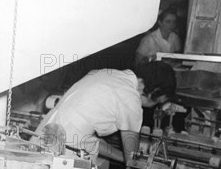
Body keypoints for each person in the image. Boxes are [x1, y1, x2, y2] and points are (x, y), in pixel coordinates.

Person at [32, 62, 177, 163]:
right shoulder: (131, 99)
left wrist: (122, 157)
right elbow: (132, 158)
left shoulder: (108, 74)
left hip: (45, 132)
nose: (152, 107)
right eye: (156, 102)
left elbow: (87, 137)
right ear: (154, 91)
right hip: (63, 153)